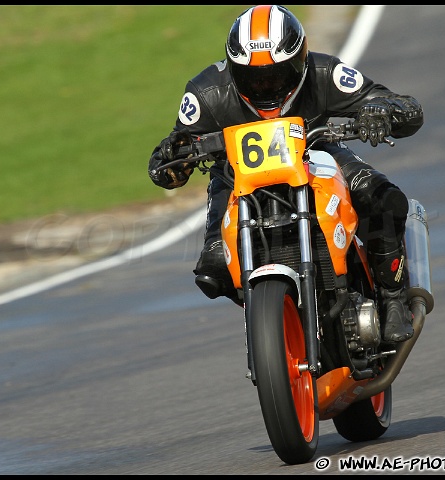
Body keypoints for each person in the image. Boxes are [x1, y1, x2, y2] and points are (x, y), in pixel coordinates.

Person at [148, 5, 423, 343]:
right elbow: (171, 161)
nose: (266, 85)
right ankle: (273, 319)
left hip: (317, 154)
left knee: (383, 198)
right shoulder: (206, 92)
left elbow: (400, 105)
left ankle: (393, 298)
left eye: (277, 75)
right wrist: (174, 159)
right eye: (254, 77)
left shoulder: (323, 71)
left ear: (300, 61)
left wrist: (379, 110)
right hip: (236, 177)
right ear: (233, 69)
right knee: (213, 265)